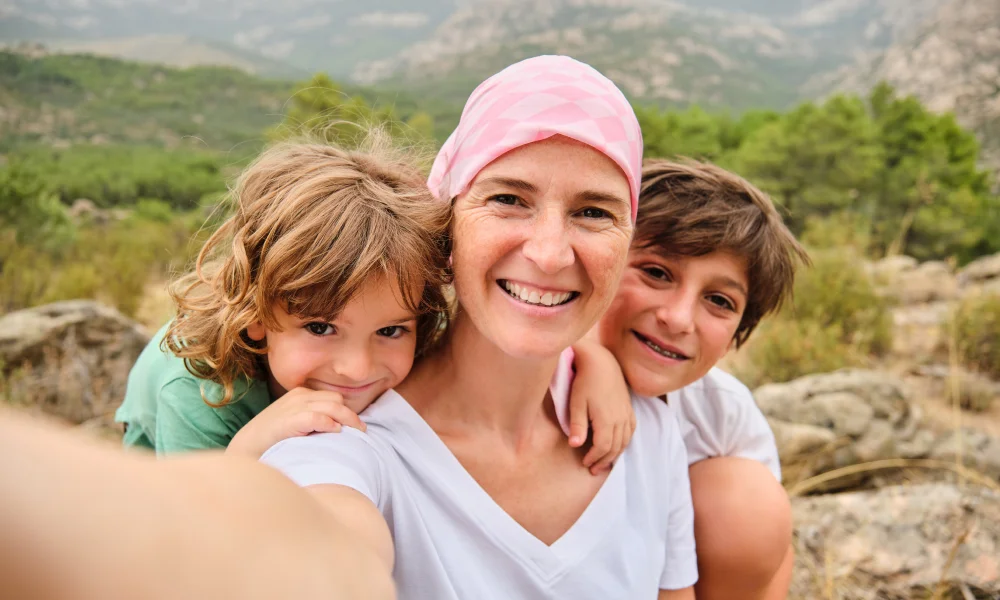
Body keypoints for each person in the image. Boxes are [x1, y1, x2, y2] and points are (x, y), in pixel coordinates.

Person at [259, 55, 699, 598]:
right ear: (448, 225)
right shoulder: (342, 446)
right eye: (509, 199)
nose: (549, 253)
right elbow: (327, 553)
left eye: (593, 212)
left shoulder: (648, 434)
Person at [115, 137, 632, 468]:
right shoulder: (200, 390)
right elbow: (195, 527)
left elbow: (503, 324)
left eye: (390, 332)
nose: (357, 368)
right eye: (320, 328)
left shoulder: (402, 312)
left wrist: (592, 358)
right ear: (255, 321)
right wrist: (249, 449)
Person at [562, 159, 809, 599]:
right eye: (656, 273)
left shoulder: (722, 411)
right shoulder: (532, 367)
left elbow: (771, 552)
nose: (677, 319)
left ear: (739, 331)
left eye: (718, 300)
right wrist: (586, 352)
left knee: (749, 501)